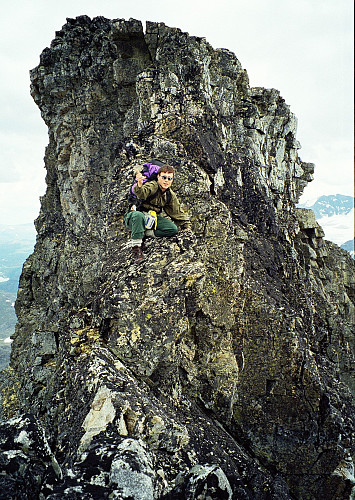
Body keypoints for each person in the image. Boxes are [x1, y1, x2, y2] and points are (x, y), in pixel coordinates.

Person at [124, 165, 192, 261]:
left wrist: (186, 226)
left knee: (172, 229)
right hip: (134, 217)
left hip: (151, 219)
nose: (166, 181)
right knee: (138, 216)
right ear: (158, 177)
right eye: (164, 177)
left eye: (169, 178)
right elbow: (142, 193)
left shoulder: (169, 195)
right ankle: (136, 247)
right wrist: (139, 184)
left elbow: (177, 212)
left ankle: (145, 233)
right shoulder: (152, 185)